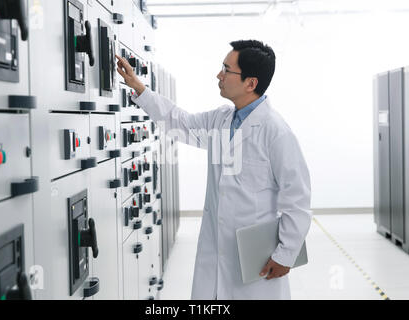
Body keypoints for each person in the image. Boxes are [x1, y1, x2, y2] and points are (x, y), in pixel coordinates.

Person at [116, 40, 312, 300]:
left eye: (226, 69)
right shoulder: (221, 119)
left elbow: (297, 199)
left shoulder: (276, 132)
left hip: (257, 258)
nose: (219, 75)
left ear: (250, 83)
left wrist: (285, 254)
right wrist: (140, 89)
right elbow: (180, 122)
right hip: (216, 247)